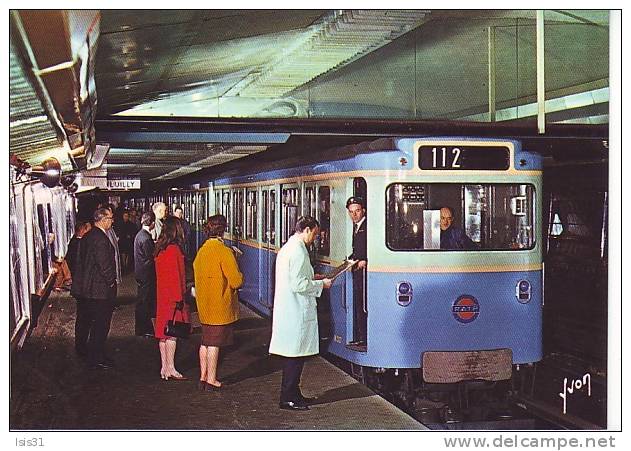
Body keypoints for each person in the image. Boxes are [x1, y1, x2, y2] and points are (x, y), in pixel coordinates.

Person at [269, 216, 332, 411]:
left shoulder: (290, 248)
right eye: (314, 233)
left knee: (295, 356)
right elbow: (298, 284)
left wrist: (313, 277)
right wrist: (321, 284)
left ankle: (294, 394)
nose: (314, 238)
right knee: (294, 357)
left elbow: (296, 277)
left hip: (292, 310)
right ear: (306, 230)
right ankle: (288, 397)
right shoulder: (297, 251)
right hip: (296, 311)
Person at [193, 215, 243, 391]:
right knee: (214, 343)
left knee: (205, 342)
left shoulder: (202, 251)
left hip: (204, 305)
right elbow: (236, 281)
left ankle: (203, 376)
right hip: (219, 306)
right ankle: (211, 379)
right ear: (223, 230)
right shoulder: (224, 251)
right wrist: (236, 259)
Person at [70, 208, 118, 370]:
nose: (112, 221)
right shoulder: (100, 238)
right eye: (111, 218)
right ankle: (96, 357)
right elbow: (104, 264)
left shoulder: (87, 236)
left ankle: (85, 351)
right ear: (103, 220)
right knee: (100, 325)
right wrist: (111, 282)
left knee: (84, 322)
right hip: (99, 291)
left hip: (85, 289)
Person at [154, 216, 189, 380]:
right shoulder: (174, 250)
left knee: (163, 333)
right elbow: (176, 276)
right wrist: (179, 299)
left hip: (162, 296)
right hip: (173, 297)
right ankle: (171, 368)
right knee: (172, 334)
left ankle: (164, 367)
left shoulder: (160, 249)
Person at [346, 196, 367, 347]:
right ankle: (360, 336)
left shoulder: (367, 227)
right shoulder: (356, 226)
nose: (354, 215)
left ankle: (363, 337)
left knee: (362, 304)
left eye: (357, 211)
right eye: (351, 212)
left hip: (364, 274)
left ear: (363, 211)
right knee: (358, 303)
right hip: (357, 271)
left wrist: (364, 260)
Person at [134, 211, 157, 337]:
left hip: (140, 273)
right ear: (152, 223)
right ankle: (144, 329)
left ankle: (141, 328)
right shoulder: (146, 238)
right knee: (144, 302)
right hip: (146, 274)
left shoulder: (139, 235)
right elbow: (151, 257)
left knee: (142, 302)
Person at [114, 209, 138, 274]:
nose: (126, 217)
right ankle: (124, 266)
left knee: (128, 253)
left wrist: (130, 235)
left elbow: (133, 231)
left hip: (128, 241)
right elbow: (119, 232)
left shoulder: (130, 224)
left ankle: (126, 266)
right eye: (125, 216)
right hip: (122, 241)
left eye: (127, 216)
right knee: (123, 254)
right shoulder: (120, 224)